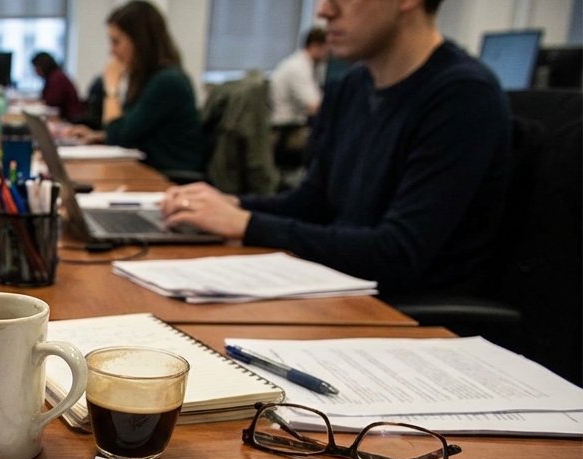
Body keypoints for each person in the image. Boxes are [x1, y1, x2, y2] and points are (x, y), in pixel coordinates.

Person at [160, 0, 510, 299]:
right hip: (340, 291)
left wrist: (246, 223)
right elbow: (314, 202)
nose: (324, 10)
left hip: (408, 319)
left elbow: (397, 253)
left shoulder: (462, 96)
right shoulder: (352, 87)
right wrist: (230, 205)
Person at [67, 1, 203, 176]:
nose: (112, 51)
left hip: (168, 178)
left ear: (139, 41)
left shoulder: (168, 82)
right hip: (149, 171)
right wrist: (99, 136)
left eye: (116, 42)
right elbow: (130, 131)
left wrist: (111, 87)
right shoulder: (150, 79)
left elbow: (119, 139)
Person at [270, 28, 328, 127]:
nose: (330, 54)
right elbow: (314, 106)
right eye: (327, 49)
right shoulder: (298, 68)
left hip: (297, 123)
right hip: (287, 128)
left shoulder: (311, 66)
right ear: (315, 46)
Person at [31, 52, 83, 123]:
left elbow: (51, 101)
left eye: (36, 68)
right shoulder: (53, 76)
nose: (35, 72)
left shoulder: (57, 78)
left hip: (70, 119)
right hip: (65, 116)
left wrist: (36, 103)